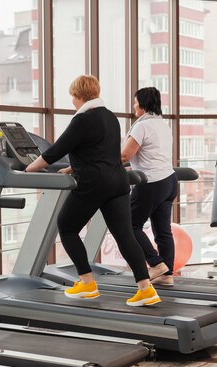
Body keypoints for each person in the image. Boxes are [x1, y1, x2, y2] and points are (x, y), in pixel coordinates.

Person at [25, 75, 161, 307]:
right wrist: (71, 168)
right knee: (125, 235)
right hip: (117, 183)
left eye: (73, 98)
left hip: (93, 184)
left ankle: (86, 283)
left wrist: (28, 168)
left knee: (67, 227)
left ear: (79, 96)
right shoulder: (110, 117)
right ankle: (145, 288)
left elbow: (55, 150)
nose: (72, 102)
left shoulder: (82, 119)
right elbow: (100, 151)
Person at [121, 87, 178, 286]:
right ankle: (166, 274)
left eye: (135, 101)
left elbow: (124, 156)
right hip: (170, 181)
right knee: (163, 231)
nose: (134, 105)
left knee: (128, 225)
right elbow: (148, 155)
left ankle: (155, 264)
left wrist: (104, 165)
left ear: (142, 104)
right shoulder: (162, 124)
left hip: (151, 183)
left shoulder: (141, 126)